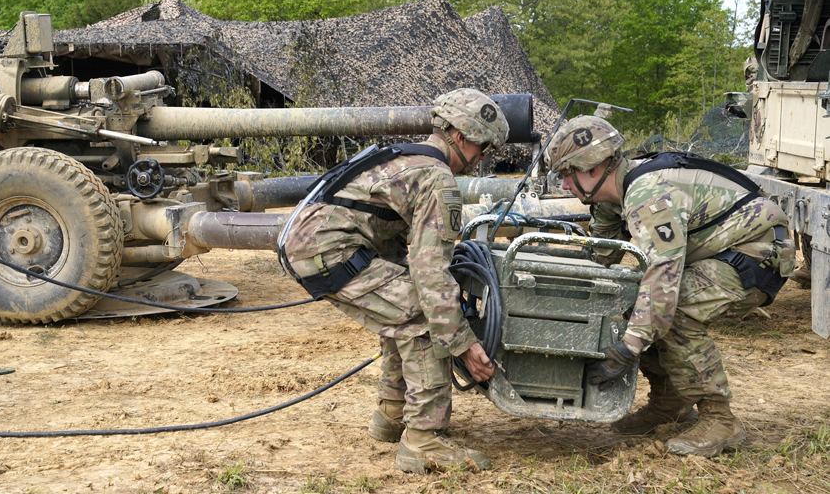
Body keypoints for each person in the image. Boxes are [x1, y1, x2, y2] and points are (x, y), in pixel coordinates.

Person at [279, 89, 509, 473]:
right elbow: (430, 273)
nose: (482, 158)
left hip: (310, 245)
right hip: (328, 250)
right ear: (463, 137)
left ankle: (392, 413)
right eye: (483, 148)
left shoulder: (404, 154)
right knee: (422, 315)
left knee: (400, 305)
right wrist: (463, 343)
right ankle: (423, 438)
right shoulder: (438, 179)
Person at [546, 115, 795, 457]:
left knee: (671, 310)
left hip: (757, 252)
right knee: (636, 304)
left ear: (591, 168)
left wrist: (628, 348)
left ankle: (721, 420)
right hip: (719, 251)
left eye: (565, 173)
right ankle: (669, 403)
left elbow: (664, 275)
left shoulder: (647, 194)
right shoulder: (608, 197)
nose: (562, 186)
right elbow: (601, 262)